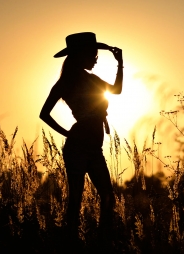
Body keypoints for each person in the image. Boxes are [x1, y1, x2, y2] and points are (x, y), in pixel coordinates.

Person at [40, 32, 123, 243]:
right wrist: (68, 133)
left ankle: (102, 242)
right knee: (76, 198)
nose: (95, 59)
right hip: (77, 148)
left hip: (95, 149)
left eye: (96, 55)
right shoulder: (65, 83)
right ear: (80, 55)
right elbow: (44, 114)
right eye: (93, 55)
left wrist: (120, 64)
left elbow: (116, 90)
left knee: (107, 196)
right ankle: (72, 244)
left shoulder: (92, 80)